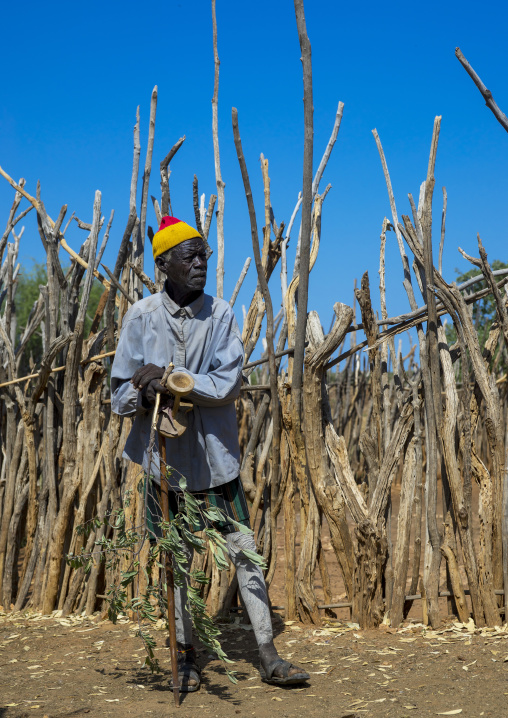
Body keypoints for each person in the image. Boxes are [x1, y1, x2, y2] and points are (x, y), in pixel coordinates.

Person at [111, 215, 309, 691]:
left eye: (205, 256)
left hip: (216, 460)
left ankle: (267, 653)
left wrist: (173, 379)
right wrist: (144, 390)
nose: (201, 264)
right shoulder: (140, 317)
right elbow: (118, 395)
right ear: (164, 263)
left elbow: (226, 384)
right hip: (165, 465)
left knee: (244, 551)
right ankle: (185, 657)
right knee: (174, 559)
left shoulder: (220, 315)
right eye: (190, 256)